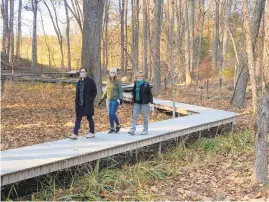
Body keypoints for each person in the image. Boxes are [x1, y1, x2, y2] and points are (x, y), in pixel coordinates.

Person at [69, 68, 97, 140]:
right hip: (80, 104)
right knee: (78, 118)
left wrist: (90, 99)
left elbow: (94, 91)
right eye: (81, 72)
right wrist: (76, 102)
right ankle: (75, 134)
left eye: (84, 72)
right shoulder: (78, 82)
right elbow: (77, 93)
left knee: (89, 117)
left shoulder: (90, 81)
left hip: (87, 104)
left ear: (86, 73)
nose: (82, 73)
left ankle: (92, 132)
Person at [99, 68, 123, 133]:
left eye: (113, 73)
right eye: (111, 72)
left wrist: (121, 99)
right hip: (108, 99)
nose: (112, 74)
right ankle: (112, 128)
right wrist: (102, 98)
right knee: (109, 114)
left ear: (115, 74)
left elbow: (120, 91)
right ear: (109, 73)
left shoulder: (118, 81)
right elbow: (106, 90)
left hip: (115, 100)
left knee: (112, 113)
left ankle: (118, 125)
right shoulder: (108, 81)